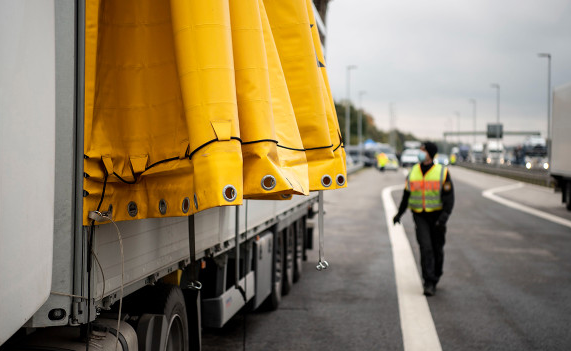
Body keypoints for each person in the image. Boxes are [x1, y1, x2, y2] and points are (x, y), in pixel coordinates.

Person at [393, 142, 454, 296]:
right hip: (420, 215)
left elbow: (449, 198)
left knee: (437, 248)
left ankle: (436, 274)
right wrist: (399, 214)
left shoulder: (442, 172)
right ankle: (429, 282)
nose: (420, 152)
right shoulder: (413, 171)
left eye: (423, 150)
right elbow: (407, 195)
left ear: (430, 153)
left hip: (438, 216)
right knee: (425, 247)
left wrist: (444, 217)